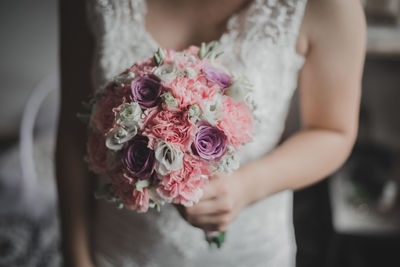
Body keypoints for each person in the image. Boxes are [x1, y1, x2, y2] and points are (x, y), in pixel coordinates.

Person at [57, 0, 366, 266]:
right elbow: (75, 130)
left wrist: (247, 186)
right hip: (121, 248)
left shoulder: (328, 6)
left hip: (248, 251)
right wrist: (76, 256)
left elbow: (333, 131)